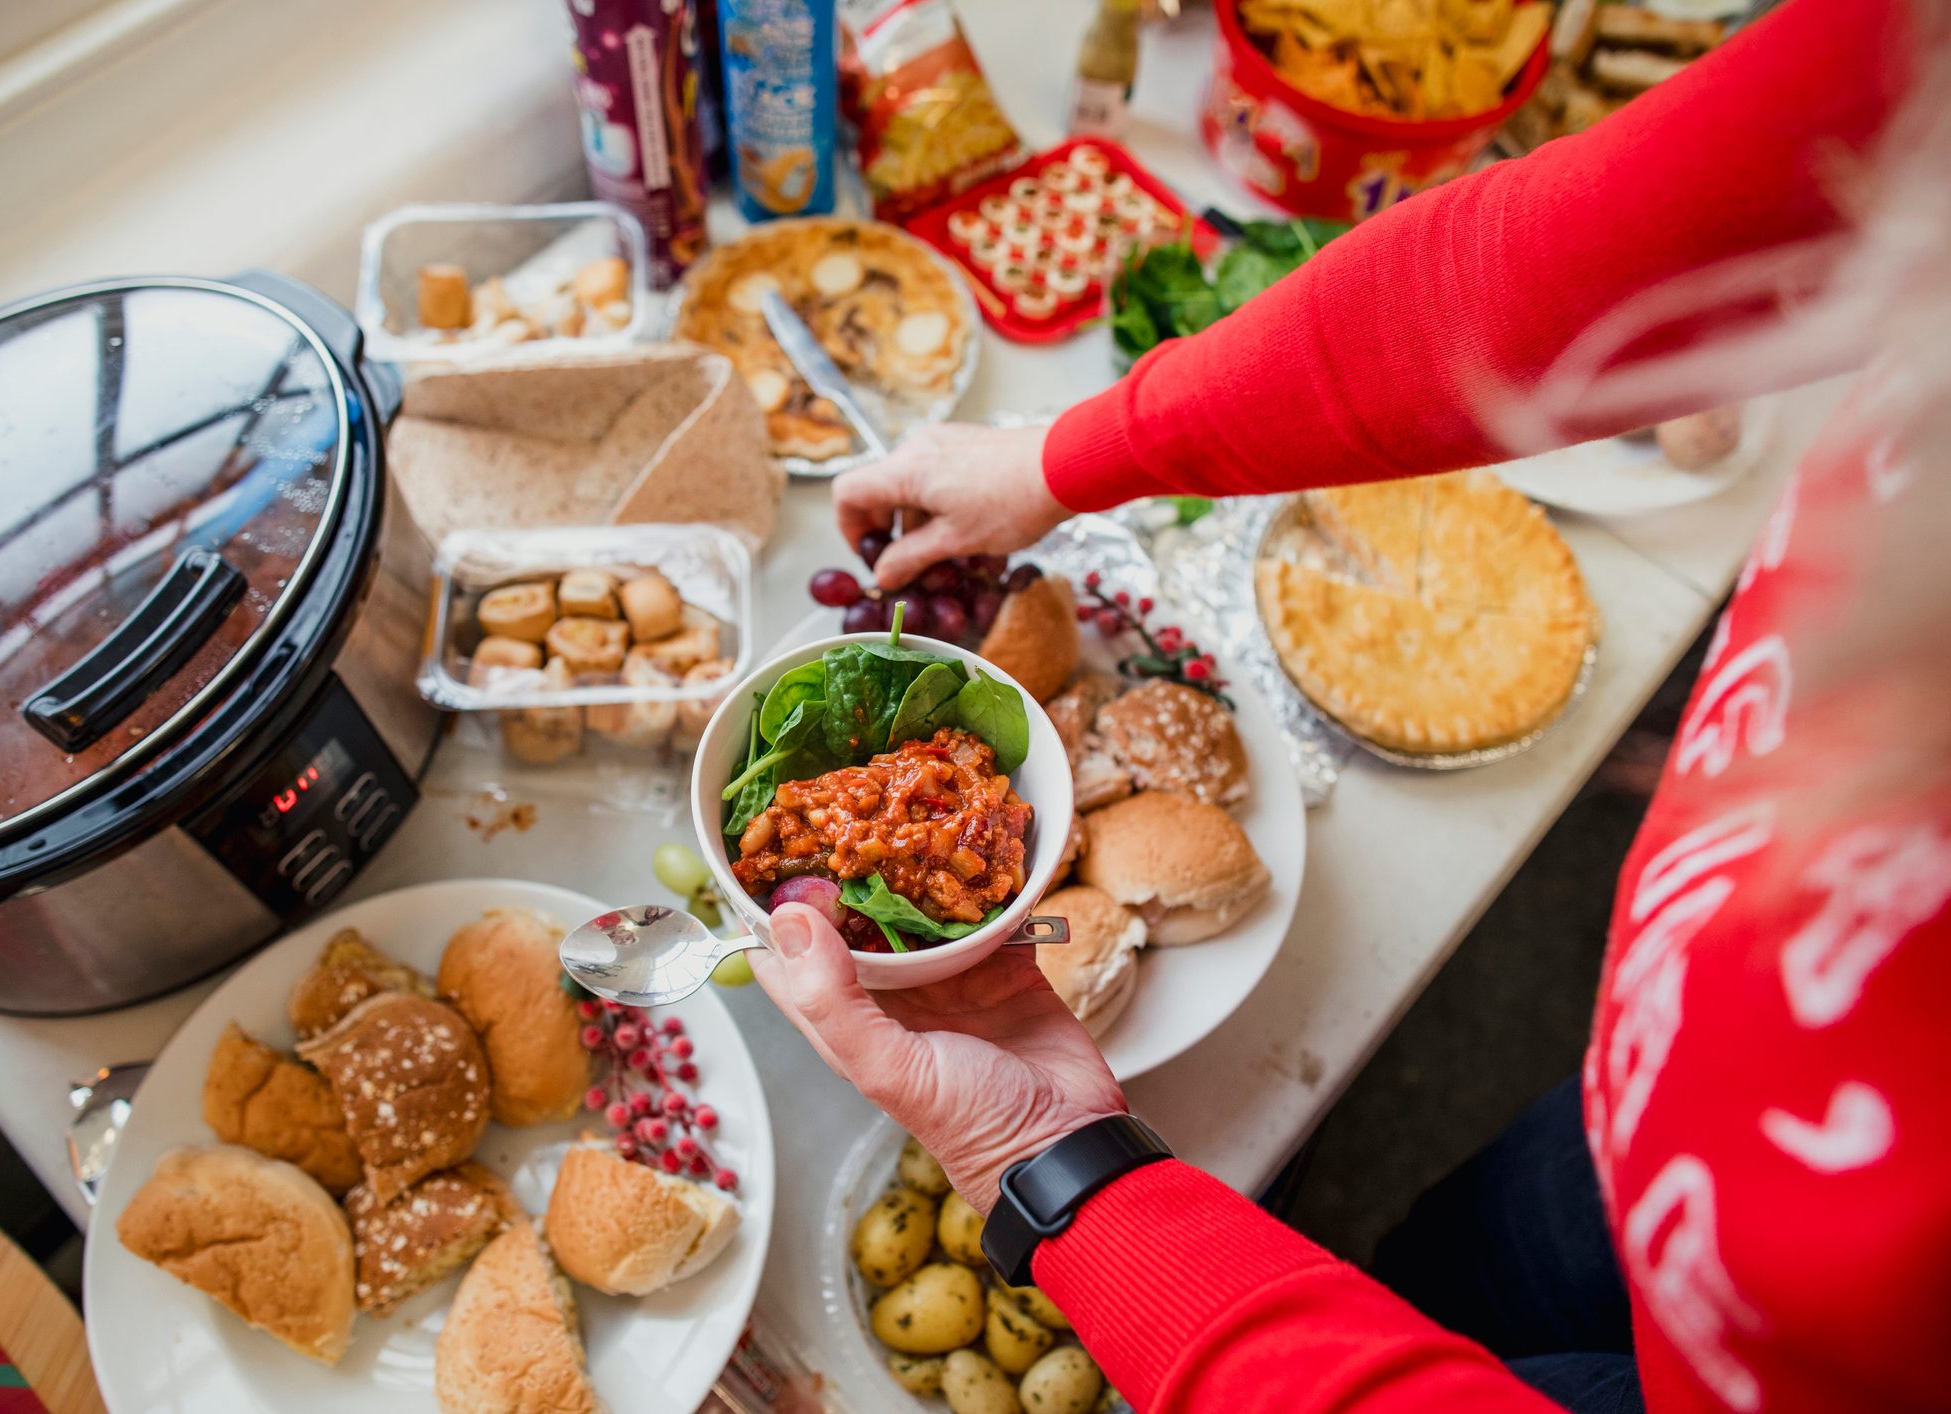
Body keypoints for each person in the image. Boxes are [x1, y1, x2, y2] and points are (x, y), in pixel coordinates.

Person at [748, 0, 1951, 1410]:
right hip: (1668, 1085)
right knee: (1450, 1266)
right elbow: (1539, 267)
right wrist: (1074, 453)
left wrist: (1060, 1175)